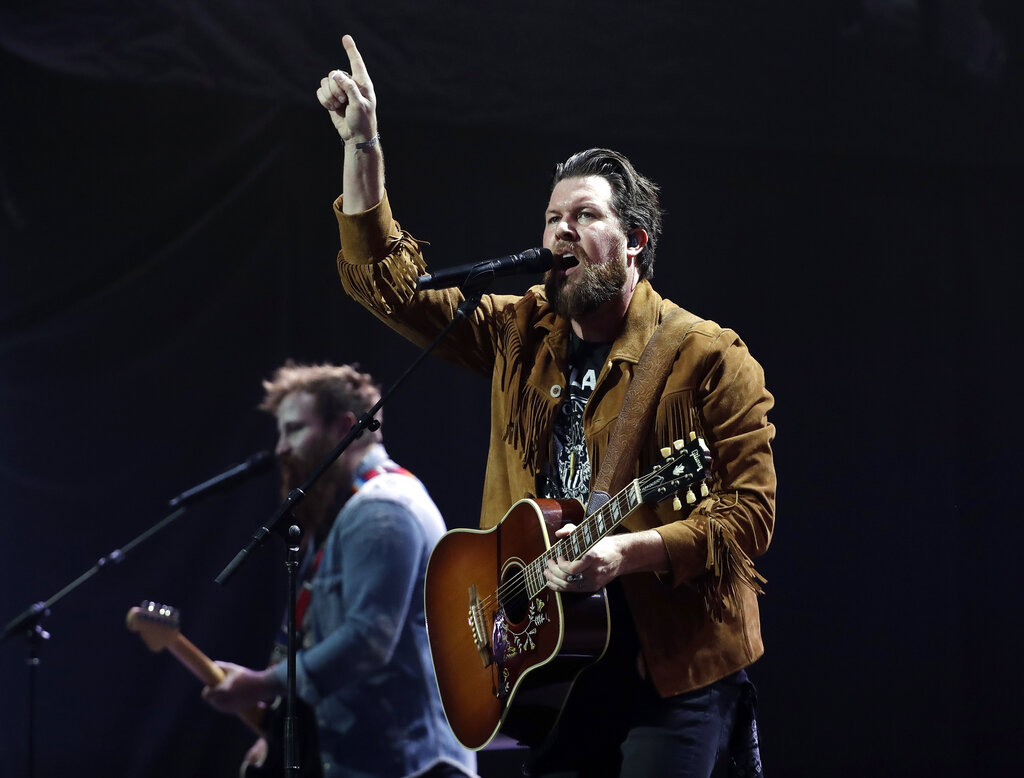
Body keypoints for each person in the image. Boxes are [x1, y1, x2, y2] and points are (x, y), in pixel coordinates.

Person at [316, 35, 776, 778]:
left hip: (675, 675)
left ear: (634, 242)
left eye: (584, 215)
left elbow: (749, 514)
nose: (561, 229)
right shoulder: (518, 330)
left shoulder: (706, 356)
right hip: (553, 669)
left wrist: (629, 550)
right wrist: (364, 145)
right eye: (552, 216)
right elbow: (393, 286)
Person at [202, 362, 477, 778]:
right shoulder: (342, 509)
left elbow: (367, 640)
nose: (280, 448)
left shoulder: (382, 508)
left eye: (294, 429)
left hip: (410, 765)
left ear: (346, 427)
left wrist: (264, 684)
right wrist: (277, 732)